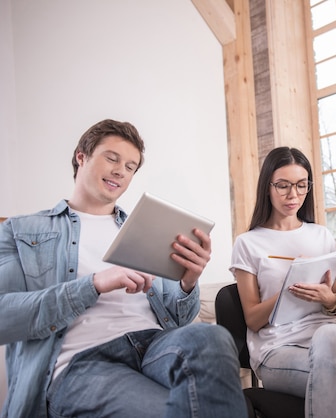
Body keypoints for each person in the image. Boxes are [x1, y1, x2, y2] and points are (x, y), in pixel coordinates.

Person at [0, 119, 247, 418]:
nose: (121, 170)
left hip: (155, 346)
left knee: (213, 337)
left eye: (130, 166)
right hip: (83, 363)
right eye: (112, 158)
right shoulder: (23, 231)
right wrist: (93, 285)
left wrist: (188, 282)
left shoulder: (147, 228)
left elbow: (179, 321)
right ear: (82, 156)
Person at [230, 147, 336, 418]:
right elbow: (252, 320)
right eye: (283, 186)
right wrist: (288, 289)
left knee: (331, 334)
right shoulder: (248, 243)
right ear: (267, 186)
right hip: (278, 350)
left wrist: (328, 300)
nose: (294, 195)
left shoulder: (321, 236)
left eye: (302, 186)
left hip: (335, 341)